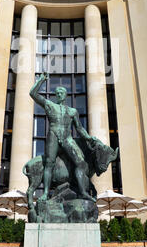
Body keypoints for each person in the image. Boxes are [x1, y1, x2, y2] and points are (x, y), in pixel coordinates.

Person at [29, 72, 97, 202]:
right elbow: (33, 94)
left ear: (65, 95)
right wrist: (41, 80)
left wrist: (88, 138)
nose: (59, 94)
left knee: (81, 162)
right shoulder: (50, 105)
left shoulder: (72, 111)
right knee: (49, 163)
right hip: (53, 136)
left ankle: (82, 191)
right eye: (57, 93)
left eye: (62, 93)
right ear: (56, 95)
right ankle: (45, 194)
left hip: (67, 138)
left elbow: (79, 128)